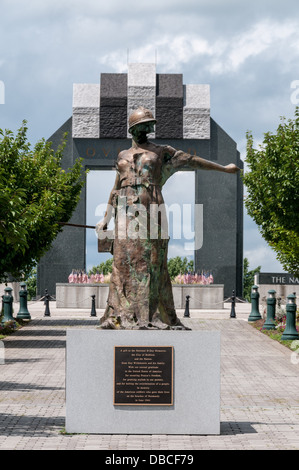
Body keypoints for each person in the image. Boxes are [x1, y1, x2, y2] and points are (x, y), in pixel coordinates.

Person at [96, 107, 239, 329]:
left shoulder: (161, 152)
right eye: (142, 127)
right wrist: (106, 219)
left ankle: (152, 315)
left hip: (151, 206)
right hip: (124, 208)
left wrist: (223, 169)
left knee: (153, 261)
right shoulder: (122, 155)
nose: (146, 131)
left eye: (148, 127)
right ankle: (120, 315)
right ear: (133, 129)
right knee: (121, 260)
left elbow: (193, 160)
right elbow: (115, 189)